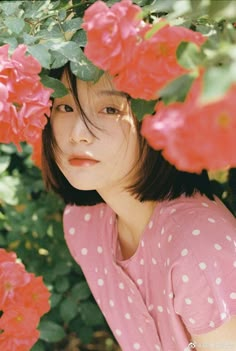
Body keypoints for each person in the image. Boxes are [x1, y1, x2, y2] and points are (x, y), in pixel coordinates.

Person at [41, 64, 236, 351]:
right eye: (66, 107)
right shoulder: (85, 224)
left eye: (110, 109)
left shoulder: (198, 246)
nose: (78, 133)